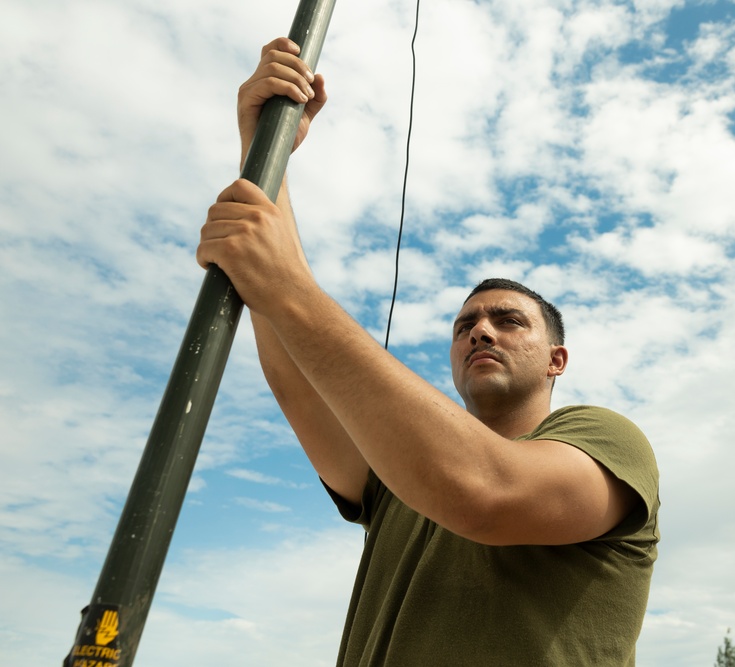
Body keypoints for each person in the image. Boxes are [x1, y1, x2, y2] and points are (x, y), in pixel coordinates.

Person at [197, 38, 660, 665]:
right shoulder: (400, 476)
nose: (481, 331)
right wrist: (266, 153)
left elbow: (485, 494)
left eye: (508, 321)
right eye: (465, 323)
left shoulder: (608, 441)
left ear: (558, 359)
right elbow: (301, 380)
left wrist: (282, 282)